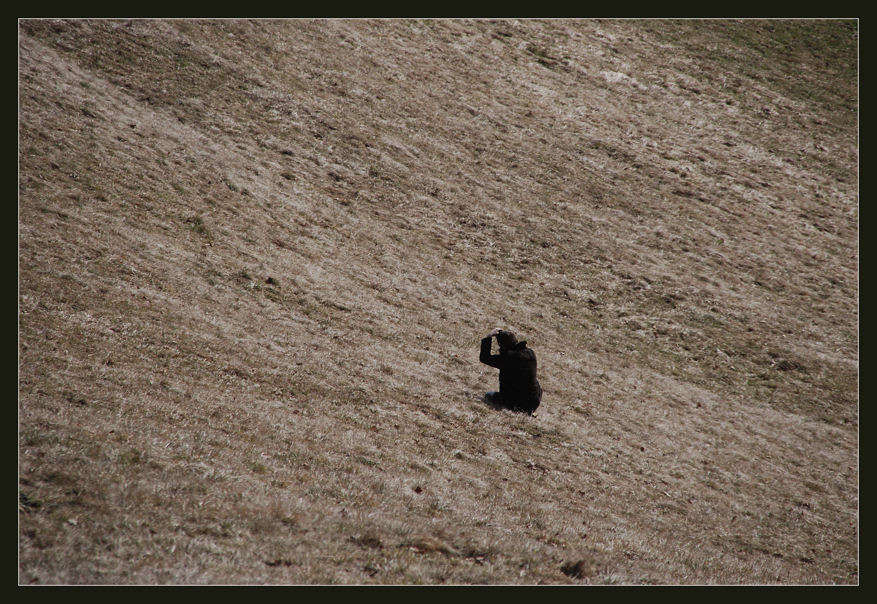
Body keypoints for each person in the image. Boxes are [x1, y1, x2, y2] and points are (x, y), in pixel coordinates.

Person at [479, 328, 542, 415]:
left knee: (489, 395)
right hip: (534, 401)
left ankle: (517, 408)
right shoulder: (530, 353)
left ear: (502, 345)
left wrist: (489, 337)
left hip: (516, 403)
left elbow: (484, 358)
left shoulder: (508, 358)